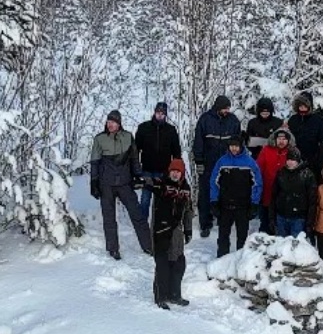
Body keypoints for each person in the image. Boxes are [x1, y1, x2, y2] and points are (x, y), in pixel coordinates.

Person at [88, 110, 151, 259]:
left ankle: (148, 246)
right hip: (106, 184)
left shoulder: (128, 137)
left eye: (113, 122)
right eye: (109, 121)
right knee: (109, 218)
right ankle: (113, 249)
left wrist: (138, 176)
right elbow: (95, 162)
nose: (110, 124)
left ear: (119, 123)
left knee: (137, 216)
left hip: (125, 183)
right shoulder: (100, 139)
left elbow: (135, 159)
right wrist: (94, 182)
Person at [192, 94, 242, 237]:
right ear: (218, 107)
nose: (227, 111)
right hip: (209, 162)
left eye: (228, 108)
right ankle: (205, 223)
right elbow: (198, 142)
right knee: (206, 192)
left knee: (226, 192)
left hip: (227, 162)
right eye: (224, 108)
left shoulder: (233, 121)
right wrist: (199, 161)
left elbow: (238, 141)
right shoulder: (205, 119)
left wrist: (236, 159)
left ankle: (223, 218)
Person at [148, 156, 193, 307]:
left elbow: (188, 211)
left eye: (178, 172)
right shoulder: (162, 185)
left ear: (182, 173)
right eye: (173, 171)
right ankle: (161, 296)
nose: (175, 174)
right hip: (160, 229)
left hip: (177, 231)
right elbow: (149, 183)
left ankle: (175, 295)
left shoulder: (186, 189)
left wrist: (188, 230)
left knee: (178, 262)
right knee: (162, 263)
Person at [209, 134, 262, 256]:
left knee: (242, 237)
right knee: (223, 236)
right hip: (225, 205)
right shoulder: (222, 161)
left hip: (243, 206)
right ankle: (222, 261)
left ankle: (241, 262)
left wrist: (254, 203)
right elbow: (213, 182)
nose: (234, 149)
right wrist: (214, 201)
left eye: (236, 146)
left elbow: (257, 184)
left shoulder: (249, 162)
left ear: (241, 146)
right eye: (232, 146)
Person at [271, 147, 316, 238]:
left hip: (298, 218)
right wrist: (272, 217)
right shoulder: (281, 173)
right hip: (281, 216)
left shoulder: (307, 175)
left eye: (293, 159)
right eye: (289, 159)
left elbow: (312, 200)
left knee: (295, 248)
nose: (290, 162)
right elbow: (274, 196)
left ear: (298, 160)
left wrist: (309, 223)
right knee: (281, 246)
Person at [255, 129, 293, 233]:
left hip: (285, 194)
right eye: (279, 139)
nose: (281, 141)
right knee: (266, 222)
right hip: (267, 191)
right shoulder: (266, 150)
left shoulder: (292, 151)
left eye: (284, 139)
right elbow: (258, 169)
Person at [135, 101, 182, 179]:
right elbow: (136, 149)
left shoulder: (171, 130)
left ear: (165, 115)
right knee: (146, 190)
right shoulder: (144, 127)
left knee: (162, 191)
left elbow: (176, 151)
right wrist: (136, 166)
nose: (160, 115)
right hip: (147, 169)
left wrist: (176, 169)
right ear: (155, 112)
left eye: (162, 113)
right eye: (158, 112)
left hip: (164, 170)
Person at [286, 94, 323, 171]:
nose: (302, 108)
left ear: (309, 106)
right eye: (300, 106)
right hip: (295, 156)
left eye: (304, 106)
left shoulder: (318, 120)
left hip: (313, 157)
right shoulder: (293, 119)